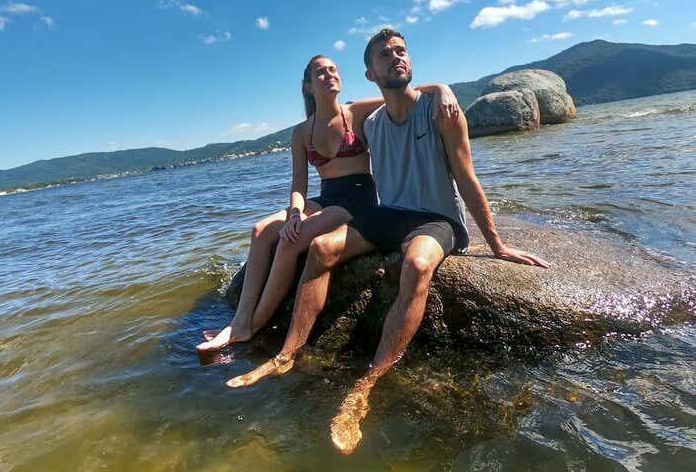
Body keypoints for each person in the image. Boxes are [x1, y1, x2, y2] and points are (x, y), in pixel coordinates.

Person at [226, 29, 549, 454]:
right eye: (385, 54)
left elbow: (467, 177)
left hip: (437, 219)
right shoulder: (372, 124)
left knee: (416, 265)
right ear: (371, 71)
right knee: (322, 249)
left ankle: (367, 384)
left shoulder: (440, 111)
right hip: (388, 217)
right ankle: (287, 353)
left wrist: (497, 244)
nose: (396, 57)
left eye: (401, 51)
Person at [196, 54, 460, 352]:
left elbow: (402, 92)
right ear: (308, 85)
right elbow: (299, 184)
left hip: (357, 198)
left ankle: (253, 325)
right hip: (325, 195)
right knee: (261, 230)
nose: (329, 75)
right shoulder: (301, 132)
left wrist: (440, 88)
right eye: (320, 72)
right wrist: (296, 213)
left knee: (289, 243)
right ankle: (240, 320)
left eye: (333, 70)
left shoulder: (357, 111)